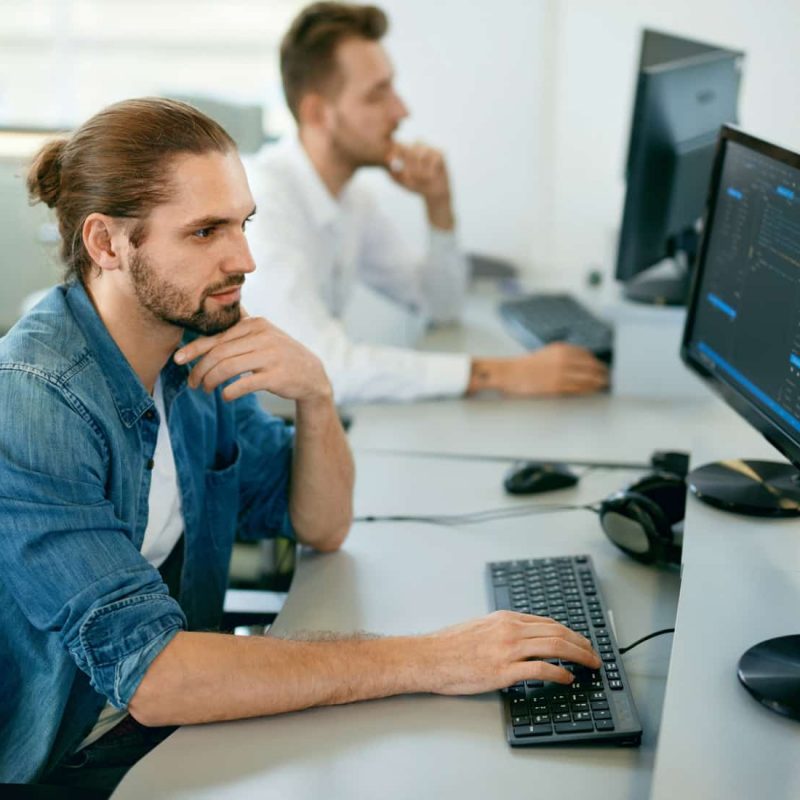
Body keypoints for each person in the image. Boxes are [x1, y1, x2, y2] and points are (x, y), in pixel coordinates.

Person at [0, 98, 600, 792]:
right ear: (107, 244)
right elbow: (155, 677)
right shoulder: (34, 403)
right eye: (205, 232)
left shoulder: (194, 349)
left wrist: (316, 396)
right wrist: (432, 660)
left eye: (244, 224)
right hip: (66, 761)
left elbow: (319, 521)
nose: (244, 259)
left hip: (171, 730)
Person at [242, 1, 608, 404]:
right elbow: (319, 366)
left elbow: (440, 305)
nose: (401, 111)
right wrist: (501, 373)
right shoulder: (261, 207)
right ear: (317, 113)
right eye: (377, 95)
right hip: (253, 445)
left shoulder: (353, 198)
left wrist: (439, 206)